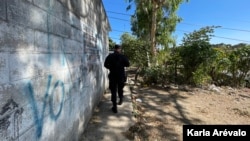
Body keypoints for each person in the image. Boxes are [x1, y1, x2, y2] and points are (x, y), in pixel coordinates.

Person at [104, 44, 130, 113]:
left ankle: (114, 107)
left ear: (114, 49)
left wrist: (111, 68)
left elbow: (105, 65)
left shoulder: (110, 56)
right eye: (120, 49)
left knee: (113, 91)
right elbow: (128, 64)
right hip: (121, 76)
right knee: (120, 88)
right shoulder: (123, 56)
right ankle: (121, 99)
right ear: (119, 49)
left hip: (112, 75)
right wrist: (121, 65)